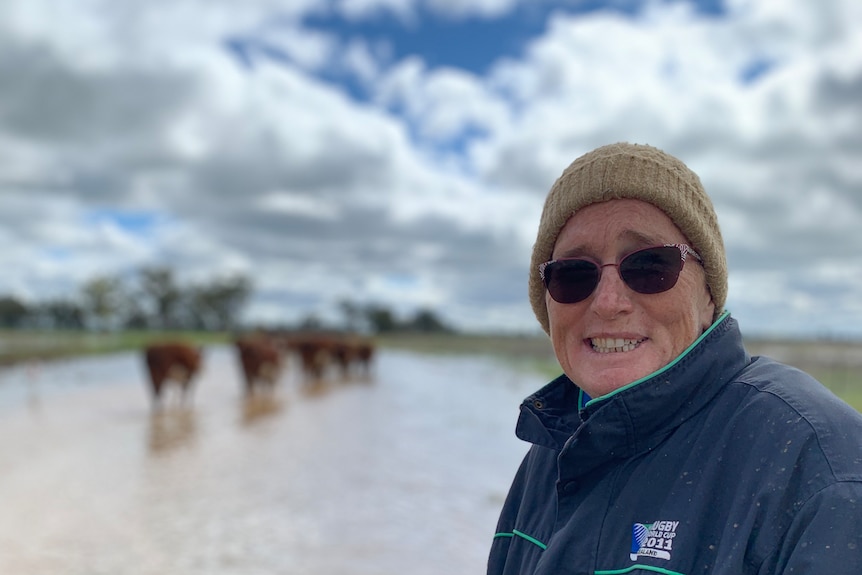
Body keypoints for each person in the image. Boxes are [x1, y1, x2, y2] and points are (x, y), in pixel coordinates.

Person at [487, 142, 862, 574]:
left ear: (708, 296)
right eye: (573, 274)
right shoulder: (553, 446)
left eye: (649, 265)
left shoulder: (819, 468)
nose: (608, 303)